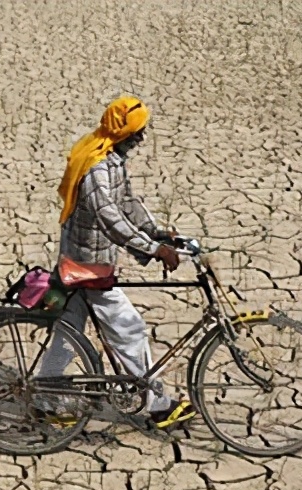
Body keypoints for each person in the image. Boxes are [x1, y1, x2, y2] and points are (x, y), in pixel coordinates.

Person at [37, 94, 195, 429]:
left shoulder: (109, 159)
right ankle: (157, 405)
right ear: (122, 133)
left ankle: (42, 398)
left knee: (68, 334)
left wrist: (158, 233)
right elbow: (111, 219)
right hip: (87, 265)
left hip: (83, 259)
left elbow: (127, 203)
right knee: (130, 328)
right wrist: (153, 249)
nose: (141, 139)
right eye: (137, 133)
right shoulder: (97, 169)